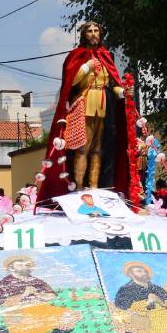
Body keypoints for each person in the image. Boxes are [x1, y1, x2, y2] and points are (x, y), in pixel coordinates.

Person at [37, 21, 134, 201]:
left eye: (96, 30)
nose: (93, 34)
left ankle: (95, 186)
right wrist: (86, 66)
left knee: (98, 149)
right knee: (83, 148)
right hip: (83, 106)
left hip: (103, 107)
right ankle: (79, 187)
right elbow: (71, 81)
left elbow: (111, 84)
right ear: (84, 35)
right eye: (89, 31)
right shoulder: (77, 55)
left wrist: (123, 92)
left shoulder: (106, 56)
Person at [0, 254, 82, 333]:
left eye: (26, 265)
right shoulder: (3, 284)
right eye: (20, 265)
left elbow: (52, 295)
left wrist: (39, 294)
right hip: (17, 314)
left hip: (41, 310)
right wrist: (24, 294)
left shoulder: (35, 280)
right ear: (11, 268)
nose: (24, 267)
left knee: (72, 315)